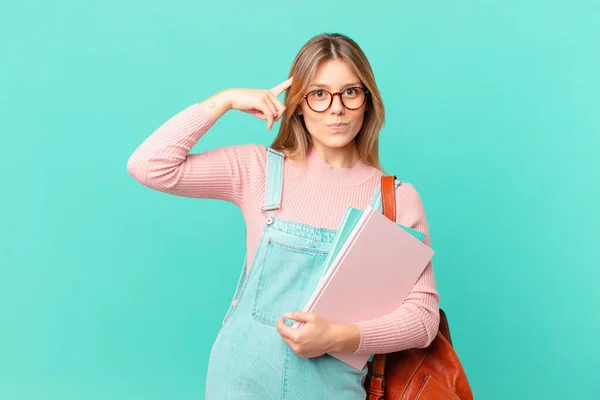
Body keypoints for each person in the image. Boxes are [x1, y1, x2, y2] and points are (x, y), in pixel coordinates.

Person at [127, 33, 440, 400]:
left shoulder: (396, 202)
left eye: (350, 92)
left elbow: (422, 319)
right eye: (319, 94)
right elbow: (149, 165)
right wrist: (226, 100)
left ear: (367, 102)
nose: (336, 108)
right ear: (299, 105)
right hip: (237, 385)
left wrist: (338, 336)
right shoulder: (257, 170)